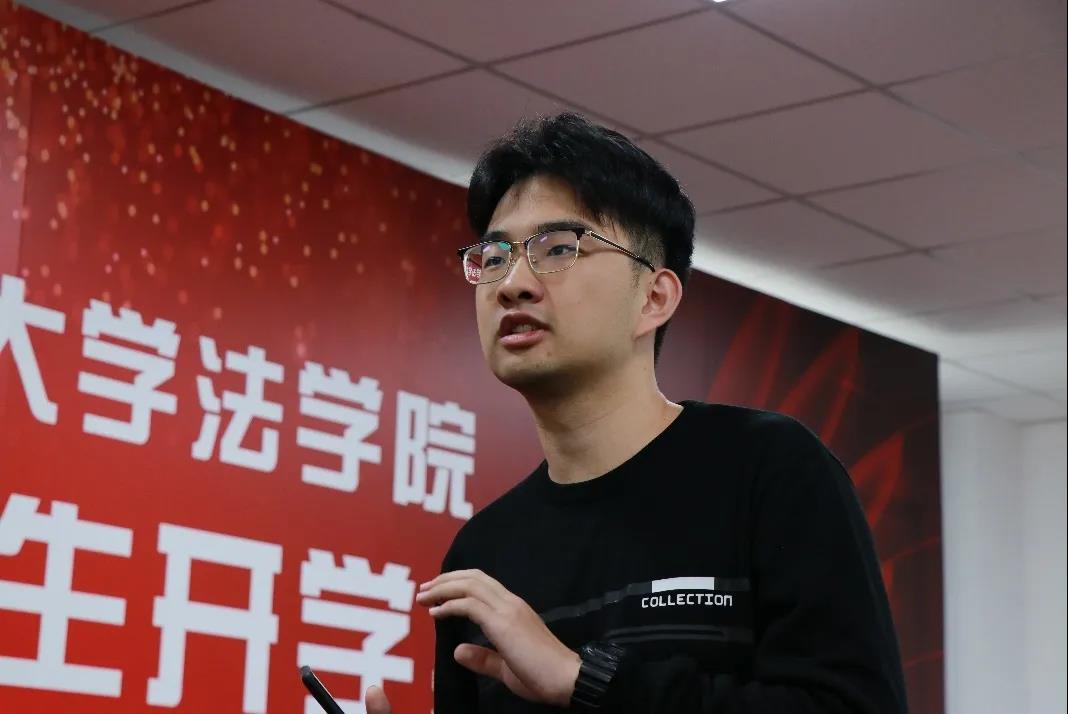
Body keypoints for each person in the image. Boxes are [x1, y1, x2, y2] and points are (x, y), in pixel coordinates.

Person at [366, 113, 907, 713]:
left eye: (558, 249)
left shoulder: (769, 470)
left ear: (654, 297)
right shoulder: (484, 553)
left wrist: (585, 680)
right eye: (494, 256)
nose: (513, 283)